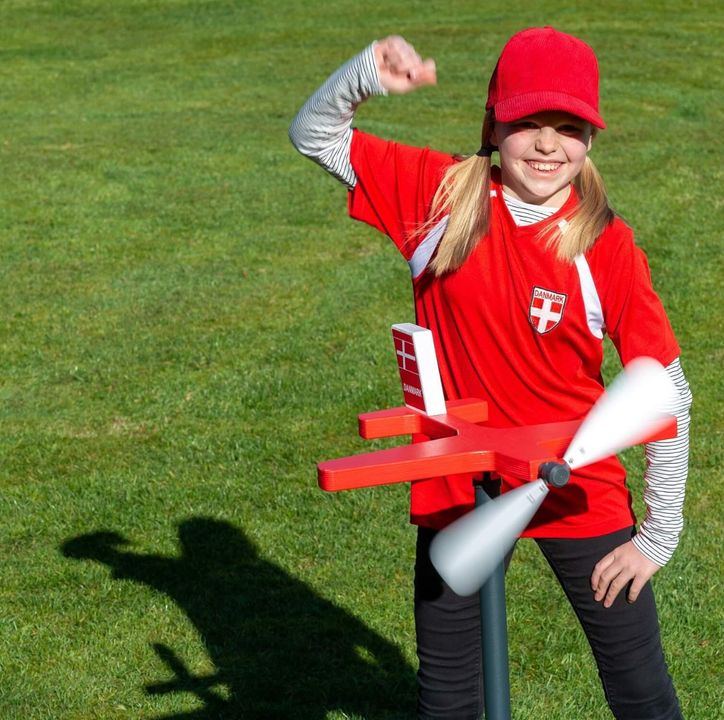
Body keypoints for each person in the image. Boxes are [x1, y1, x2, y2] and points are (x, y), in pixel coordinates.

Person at [290, 27, 693, 720]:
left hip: (576, 483)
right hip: (459, 481)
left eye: (568, 127)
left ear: (590, 140)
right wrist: (364, 75)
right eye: (528, 122)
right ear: (493, 122)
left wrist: (657, 538)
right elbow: (315, 135)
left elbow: (666, 391)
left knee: (642, 694)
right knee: (449, 702)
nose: (546, 144)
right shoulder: (438, 199)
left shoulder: (606, 244)